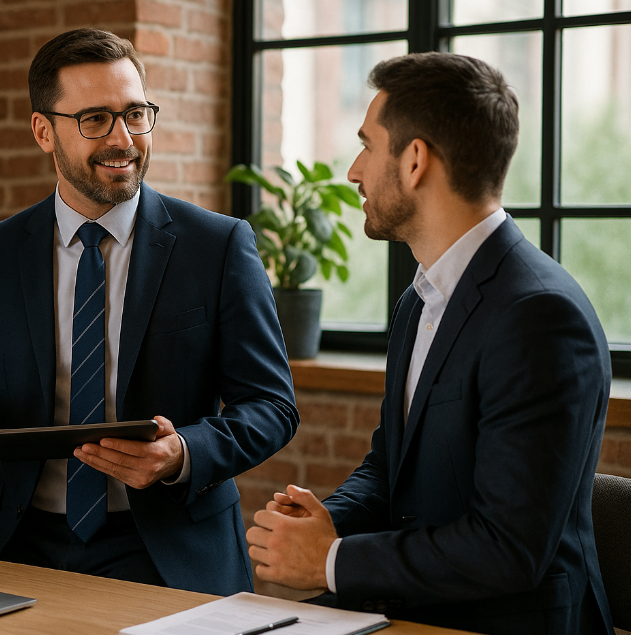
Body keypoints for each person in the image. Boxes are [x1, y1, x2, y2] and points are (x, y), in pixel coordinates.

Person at [0, 28, 297, 596]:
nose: (123, 139)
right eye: (96, 119)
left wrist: (182, 452)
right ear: (44, 131)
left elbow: (272, 405)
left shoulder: (218, 246)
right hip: (23, 542)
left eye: (135, 114)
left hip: (169, 546)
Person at [246, 52, 614, 634]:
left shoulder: (540, 316)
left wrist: (330, 561)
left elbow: (508, 549)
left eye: (367, 145)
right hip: (413, 614)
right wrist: (324, 524)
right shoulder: (419, 299)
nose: (354, 171)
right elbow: (389, 466)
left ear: (415, 160)